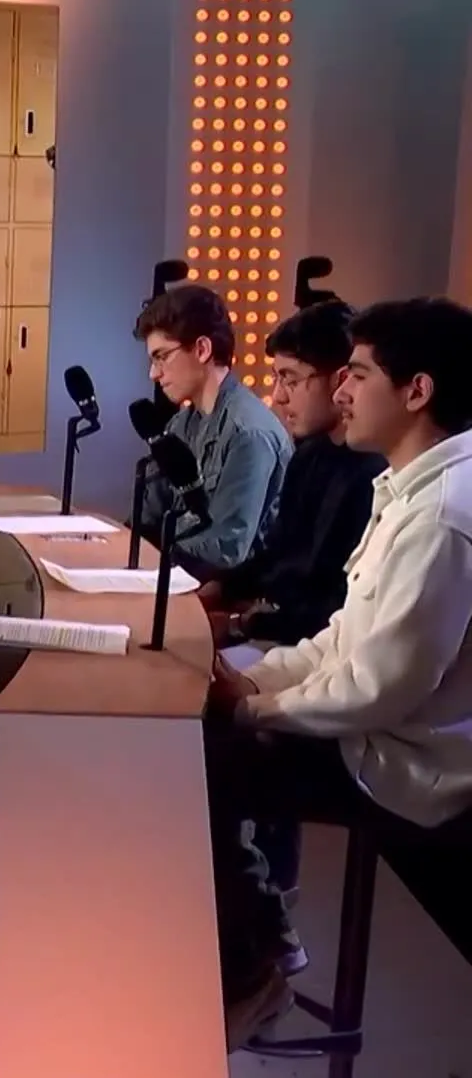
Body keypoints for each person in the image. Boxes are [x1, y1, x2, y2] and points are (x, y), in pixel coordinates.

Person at [208, 297, 472, 1047]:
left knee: (200, 758)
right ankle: (254, 949)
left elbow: (377, 688)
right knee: (197, 732)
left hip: (403, 763)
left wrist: (248, 709)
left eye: (357, 373)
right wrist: (256, 681)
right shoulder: (407, 487)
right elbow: (341, 640)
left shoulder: (443, 516)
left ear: (417, 391)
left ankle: (253, 966)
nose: (342, 389)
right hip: (375, 728)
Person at [203, 300, 385, 654]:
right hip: (273, 625)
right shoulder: (309, 454)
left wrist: (241, 624)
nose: (277, 397)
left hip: (313, 647)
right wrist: (221, 589)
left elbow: (336, 605)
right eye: (277, 379)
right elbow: (277, 551)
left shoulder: (372, 475)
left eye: (290, 379)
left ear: (340, 380)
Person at [134, 285, 295, 575]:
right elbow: (150, 517)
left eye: (161, 357)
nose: (154, 373)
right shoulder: (179, 425)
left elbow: (225, 548)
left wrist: (159, 554)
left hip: (219, 588)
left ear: (202, 349)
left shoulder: (248, 433)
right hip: (172, 573)